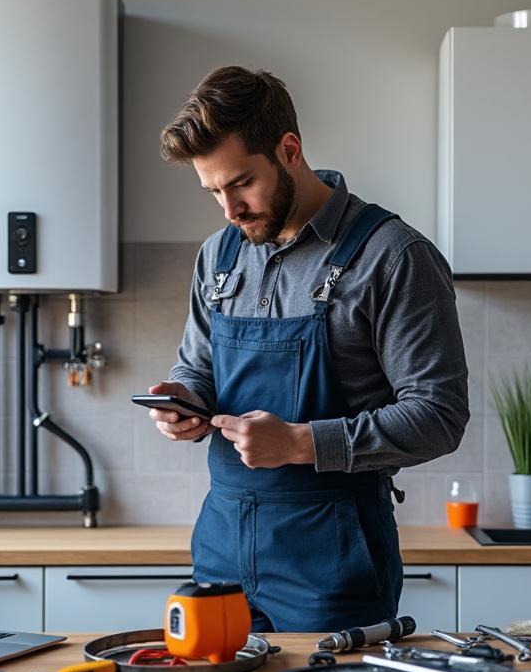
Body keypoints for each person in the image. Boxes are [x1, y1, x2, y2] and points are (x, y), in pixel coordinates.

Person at [147, 66, 469, 633]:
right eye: (214, 191)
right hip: (221, 544)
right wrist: (185, 401)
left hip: (334, 558)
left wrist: (300, 443)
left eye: (241, 183)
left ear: (289, 149)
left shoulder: (393, 256)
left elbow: (440, 416)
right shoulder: (218, 257)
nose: (230, 210)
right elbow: (197, 366)